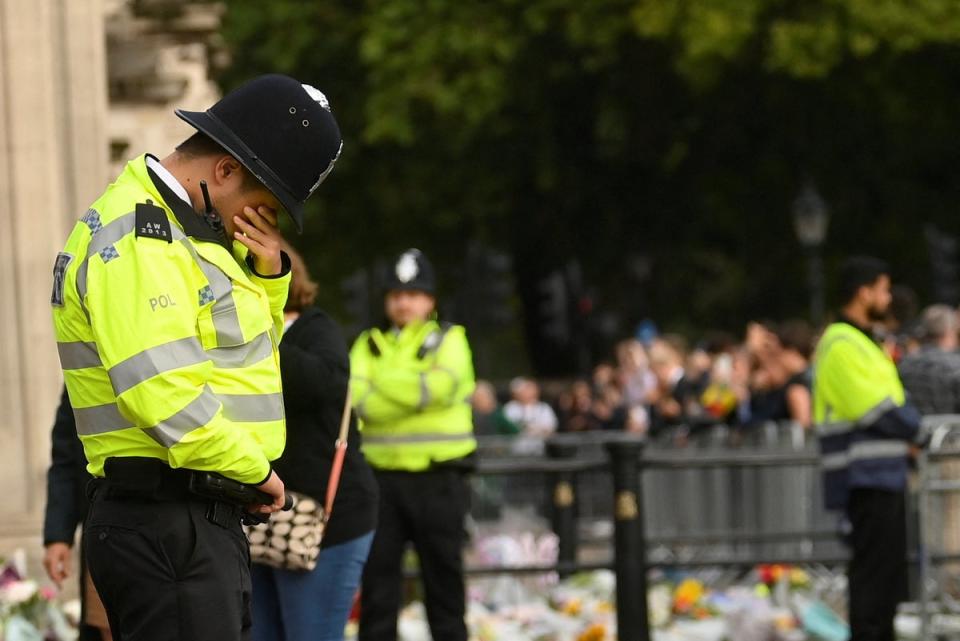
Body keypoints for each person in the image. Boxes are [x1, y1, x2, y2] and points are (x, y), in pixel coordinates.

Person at [50, 74, 342, 641]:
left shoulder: (184, 234)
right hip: (166, 517)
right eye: (264, 203)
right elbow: (166, 394)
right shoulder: (143, 238)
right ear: (226, 170)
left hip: (183, 517)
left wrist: (268, 281)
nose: (266, 222)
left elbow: (239, 359)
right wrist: (256, 474)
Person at [251, 244, 379, 641]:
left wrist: (258, 336)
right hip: (262, 517)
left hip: (326, 520)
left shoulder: (316, 328)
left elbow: (322, 384)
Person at [350, 248, 477, 641]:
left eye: (413, 294)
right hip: (382, 482)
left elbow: (441, 387)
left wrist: (382, 388)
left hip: (440, 477)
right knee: (378, 587)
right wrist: (415, 386)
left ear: (431, 300)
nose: (403, 302)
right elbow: (355, 399)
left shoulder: (451, 339)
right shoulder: (368, 342)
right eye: (395, 294)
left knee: (444, 585)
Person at [813, 256, 924, 641]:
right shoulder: (842, 343)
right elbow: (878, 408)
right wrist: (917, 428)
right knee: (873, 584)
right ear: (864, 292)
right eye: (882, 289)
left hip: (881, 473)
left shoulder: (861, 341)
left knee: (886, 582)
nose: (887, 297)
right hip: (864, 476)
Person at [42, 389, 112, 641]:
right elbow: (65, 458)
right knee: (107, 625)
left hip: (169, 519)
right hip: (104, 527)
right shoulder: (84, 360)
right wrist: (58, 536)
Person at [898, 304, 960, 415]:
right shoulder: (955, 366)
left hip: (912, 429)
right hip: (951, 430)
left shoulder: (905, 364)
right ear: (950, 330)